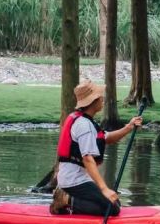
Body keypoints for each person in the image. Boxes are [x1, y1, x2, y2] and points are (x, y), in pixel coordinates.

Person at [50, 80, 142, 216]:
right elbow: (87, 159)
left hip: (77, 178)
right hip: (73, 180)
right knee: (112, 209)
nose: (102, 99)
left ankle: (71, 199)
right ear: (93, 101)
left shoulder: (85, 120)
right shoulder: (84, 125)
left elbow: (106, 138)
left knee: (115, 202)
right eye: (100, 97)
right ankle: (66, 199)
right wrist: (104, 188)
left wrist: (128, 127)